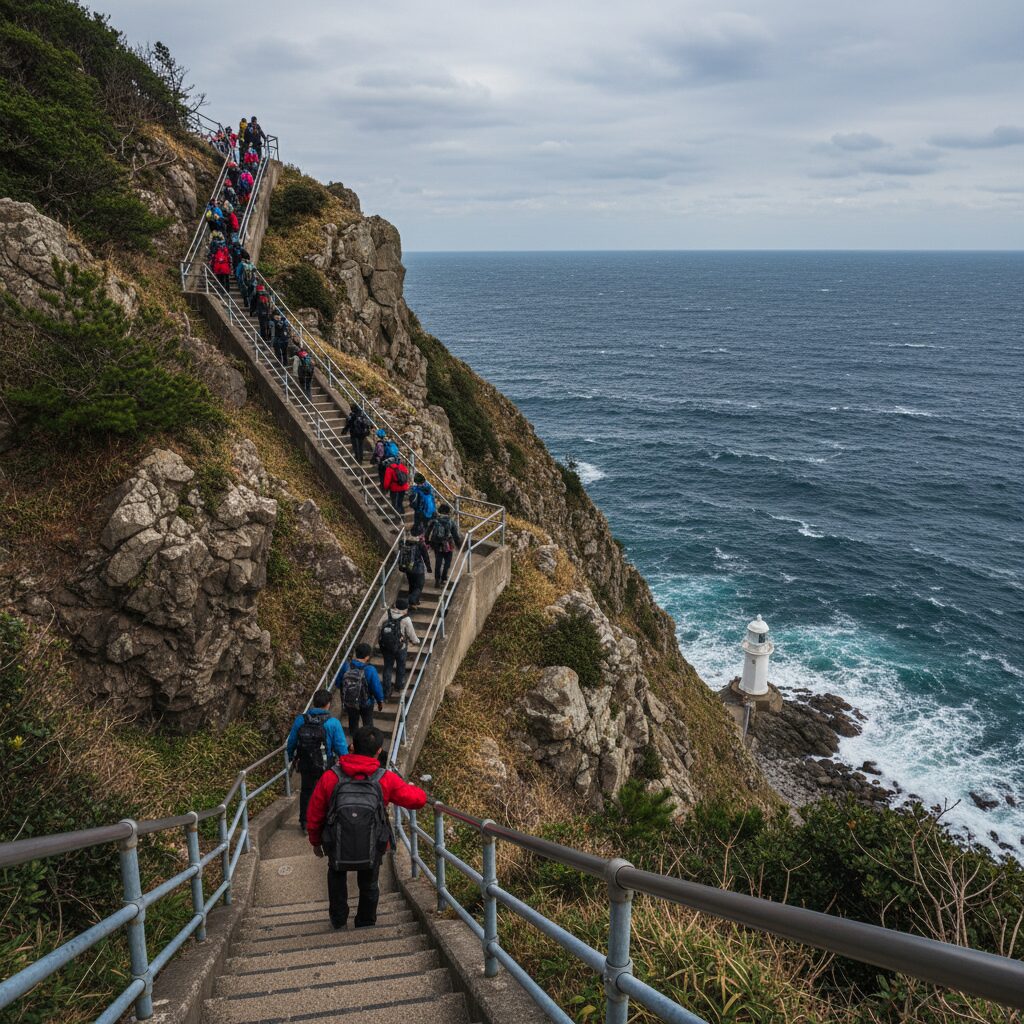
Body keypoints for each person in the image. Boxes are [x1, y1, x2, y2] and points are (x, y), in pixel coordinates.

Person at [306, 726, 427, 929]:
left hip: (337, 841)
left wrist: (316, 842)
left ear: (352, 747)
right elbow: (417, 800)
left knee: (336, 877)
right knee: (369, 882)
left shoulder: (331, 777)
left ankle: (338, 920)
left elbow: (315, 813)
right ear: (379, 751)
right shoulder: (384, 778)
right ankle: (365, 921)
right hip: (372, 842)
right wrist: (417, 789)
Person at [286, 689, 347, 833]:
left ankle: (305, 823)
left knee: (306, 791)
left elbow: (292, 741)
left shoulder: (301, 720)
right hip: (326, 764)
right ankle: (325, 822)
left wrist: (290, 757)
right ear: (328, 704)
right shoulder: (333, 723)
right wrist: (344, 763)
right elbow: (341, 747)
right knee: (327, 792)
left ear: (314, 702)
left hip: (305, 762)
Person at [333, 642, 384, 734]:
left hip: (350, 702)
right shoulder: (370, 669)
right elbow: (376, 687)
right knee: (368, 723)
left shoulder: (345, 666)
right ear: (367, 657)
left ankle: (354, 744)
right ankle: (367, 742)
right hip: (366, 702)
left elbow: (337, 684)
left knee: (353, 723)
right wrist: (380, 701)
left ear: (356, 653)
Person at [378, 597, 418, 700]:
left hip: (386, 647)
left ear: (395, 606)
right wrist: (416, 642)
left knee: (388, 666)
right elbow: (412, 634)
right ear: (406, 608)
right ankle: (399, 686)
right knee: (401, 665)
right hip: (400, 647)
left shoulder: (387, 613)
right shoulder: (406, 619)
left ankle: (386, 690)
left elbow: (379, 625)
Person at [429, 503, 461, 586]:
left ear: (440, 511)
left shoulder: (435, 520)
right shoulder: (451, 522)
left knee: (438, 562)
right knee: (447, 562)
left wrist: (428, 542)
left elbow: (428, 532)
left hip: (437, 543)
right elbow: (455, 535)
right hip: (448, 544)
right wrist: (459, 546)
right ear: (448, 512)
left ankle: (437, 580)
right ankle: (443, 578)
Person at [401, 525, 432, 608]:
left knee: (412, 585)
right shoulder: (420, 543)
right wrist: (428, 568)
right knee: (419, 586)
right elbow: (425, 557)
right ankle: (409, 601)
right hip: (418, 569)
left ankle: (414, 603)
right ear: (420, 534)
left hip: (408, 568)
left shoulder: (406, 542)